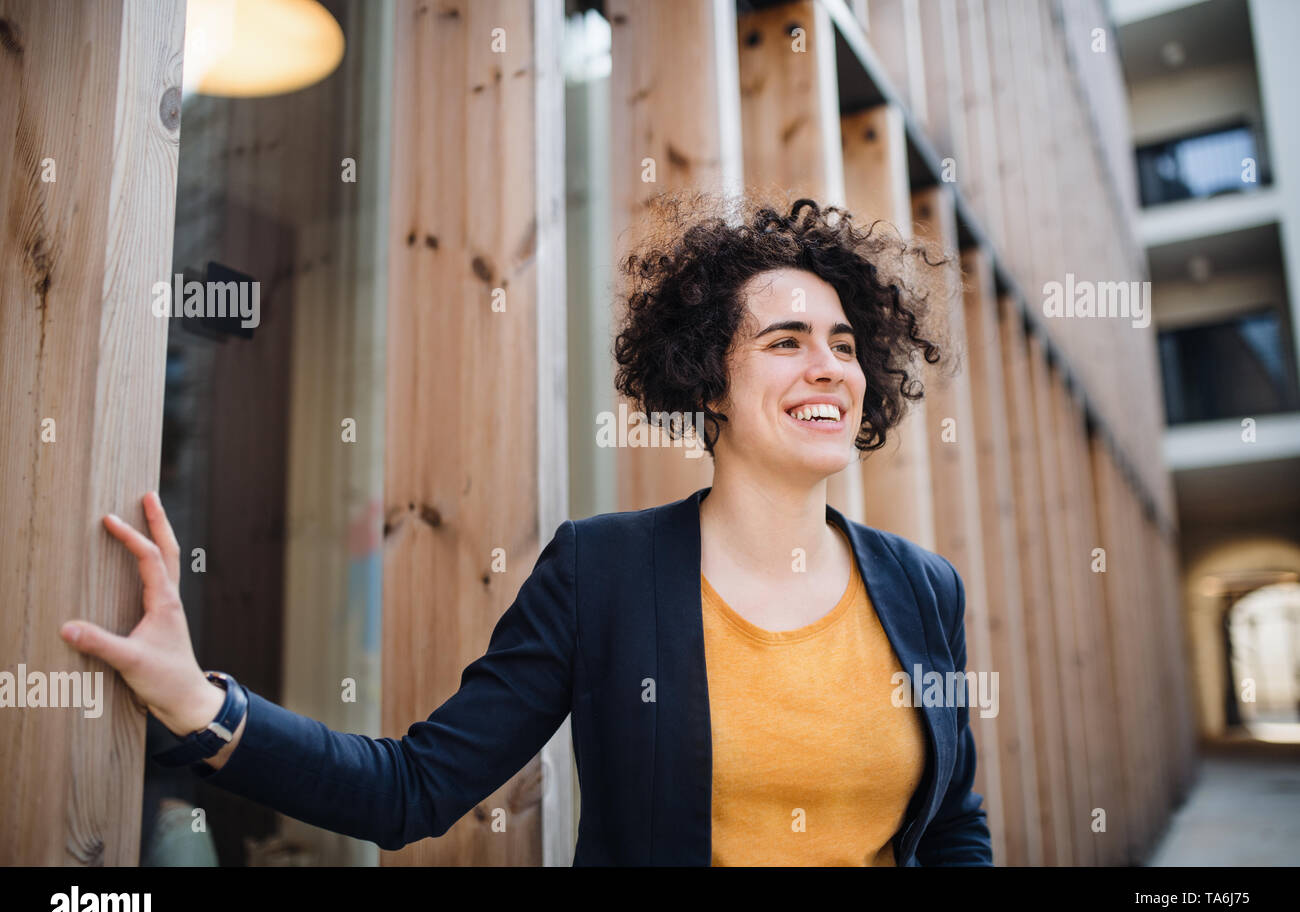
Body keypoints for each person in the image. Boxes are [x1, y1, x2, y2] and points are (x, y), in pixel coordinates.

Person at [61, 192, 992, 866]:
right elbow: (411, 790)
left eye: (842, 344)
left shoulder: (922, 588)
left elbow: (952, 824)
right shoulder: (606, 573)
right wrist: (200, 705)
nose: (828, 366)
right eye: (785, 342)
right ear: (707, 381)